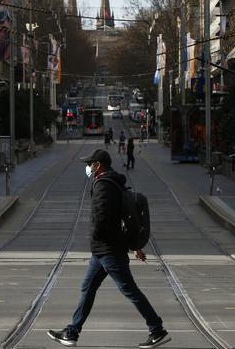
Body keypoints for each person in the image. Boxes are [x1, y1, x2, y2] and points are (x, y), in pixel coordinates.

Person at [48, 149, 170, 349]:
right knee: (87, 289)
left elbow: (102, 219)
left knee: (129, 290)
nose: (88, 167)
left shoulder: (103, 186)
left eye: (90, 164)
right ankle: (72, 333)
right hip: (103, 251)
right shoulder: (115, 184)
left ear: (98, 165)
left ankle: (157, 329)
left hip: (108, 250)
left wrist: (96, 236)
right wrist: (133, 245)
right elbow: (124, 216)